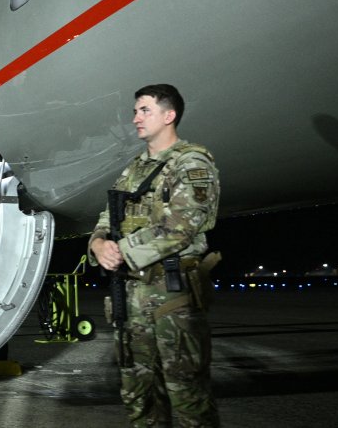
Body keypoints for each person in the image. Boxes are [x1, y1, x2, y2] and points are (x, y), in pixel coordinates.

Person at [87, 84, 221, 427]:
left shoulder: (192, 161)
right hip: (131, 298)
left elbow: (180, 227)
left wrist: (122, 252)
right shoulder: (135, 168)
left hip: (171, 296)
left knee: (187, 394)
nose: (135, 118)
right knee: (138, 395)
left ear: (169, 115)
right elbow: (107, 218)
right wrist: (99, 245)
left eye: (144, 110)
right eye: (135, 111)